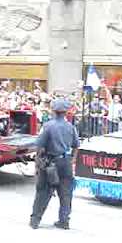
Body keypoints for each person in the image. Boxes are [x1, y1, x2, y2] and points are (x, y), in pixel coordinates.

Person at [29, 98, 80, 230]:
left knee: (43, 192)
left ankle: (35, 220)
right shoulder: (71, 127)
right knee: (66, 193)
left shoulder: (48, 126)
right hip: (66, 162)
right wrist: (72, 160)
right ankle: (64, 221)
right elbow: (76, 146)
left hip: (50, 163)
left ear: (53, 111)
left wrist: (37, 164)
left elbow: (39, 146)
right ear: (65, 112)